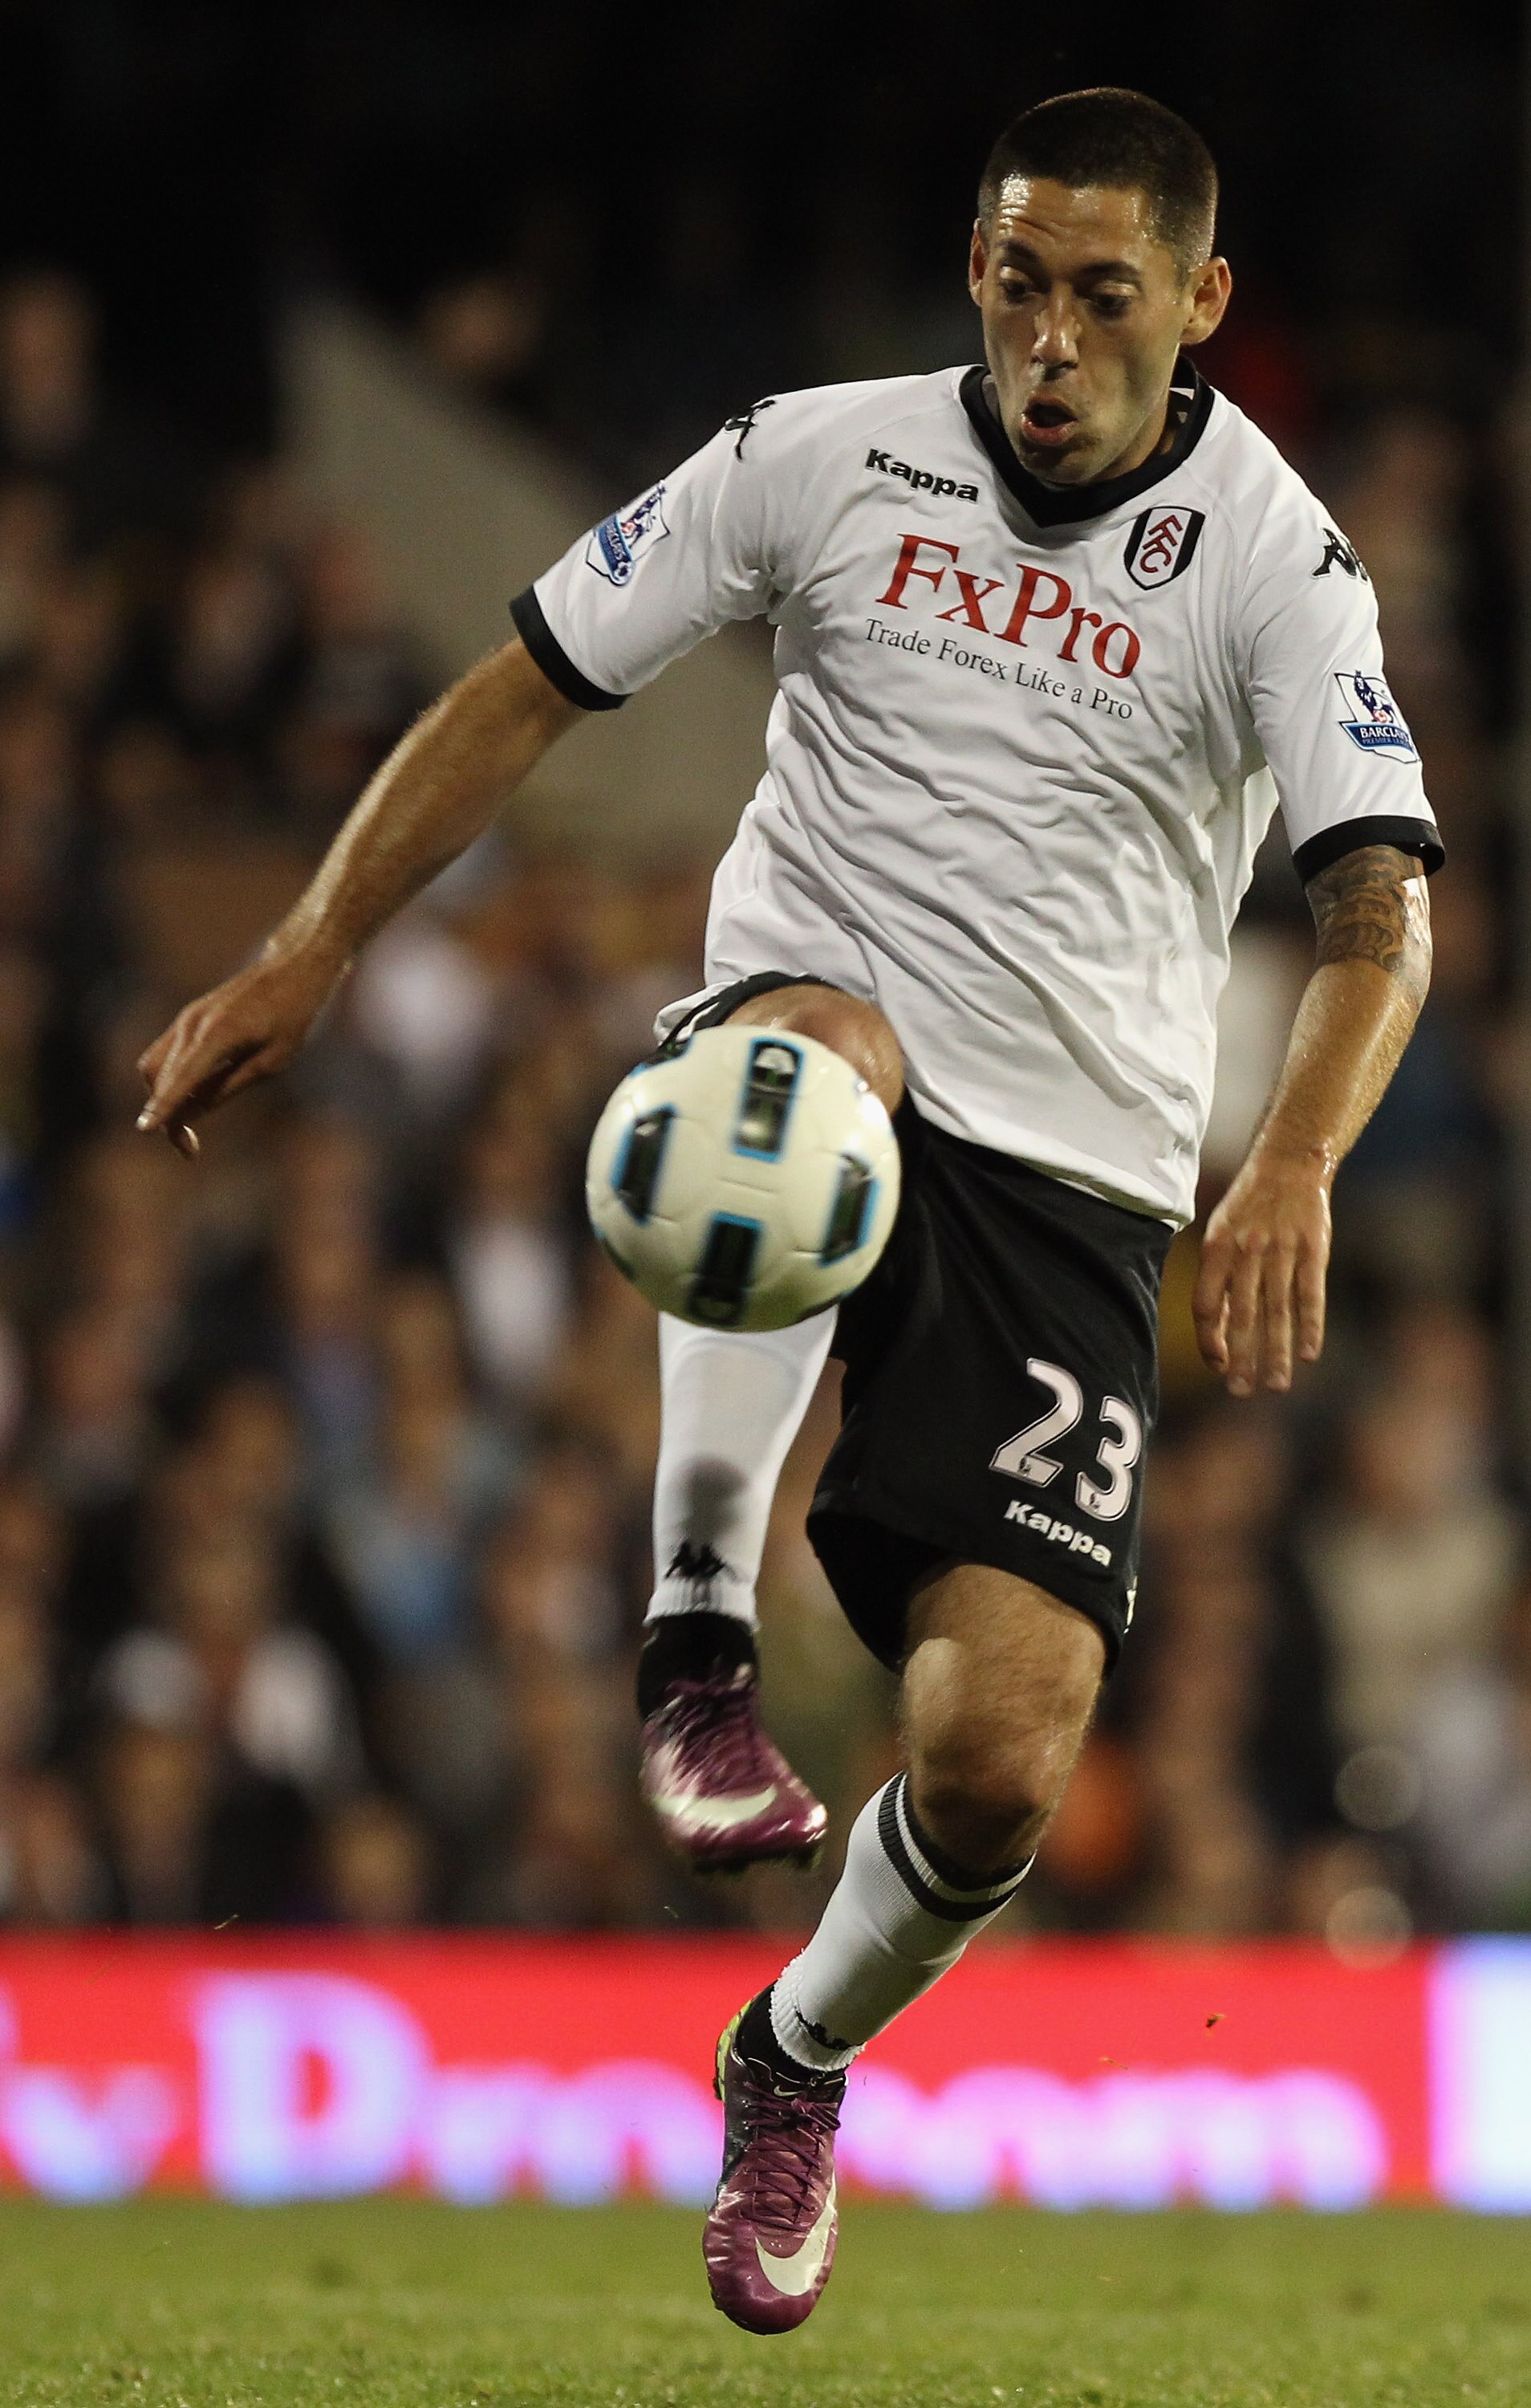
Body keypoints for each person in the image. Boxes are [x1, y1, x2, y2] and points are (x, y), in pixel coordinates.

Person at [137, 89, 1439, 2335]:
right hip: (815, 1018)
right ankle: (693, 1630)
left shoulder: (1275, 558)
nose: (1047, 340)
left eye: (1103, 297)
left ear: (1197, 307)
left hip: (1078, 1179)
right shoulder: (813, 455)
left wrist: (1293, 1154)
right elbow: (528, 680)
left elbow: (1377, 911)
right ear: (971, 266)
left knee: (1003, 1759)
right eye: (1016, 281)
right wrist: (311, 944)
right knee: (805, 1065)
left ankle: (789, 2056)